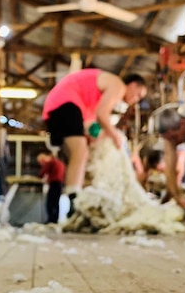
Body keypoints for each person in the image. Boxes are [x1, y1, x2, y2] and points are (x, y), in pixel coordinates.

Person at [42, 69, 148, 211]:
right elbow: (101, 114)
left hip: (56, 107)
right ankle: (74, 203)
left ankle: (72, 199)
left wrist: (101, 135)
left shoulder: (92, 99)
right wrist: (115, 135)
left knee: (79, 155)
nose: (136, 100)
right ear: (133, 85)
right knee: (80, 152)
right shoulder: (118, 86)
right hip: (65, 103)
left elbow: (91, 128)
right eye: (138, 95)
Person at [37, 151, 66, 224]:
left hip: (54, 184)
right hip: (60, 184)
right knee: (56, 202)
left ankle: (51, 220)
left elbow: (42, 173)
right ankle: (55, 219)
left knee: (50, 203)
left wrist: (40, 177)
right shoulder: (61, 163)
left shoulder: (51, 162)